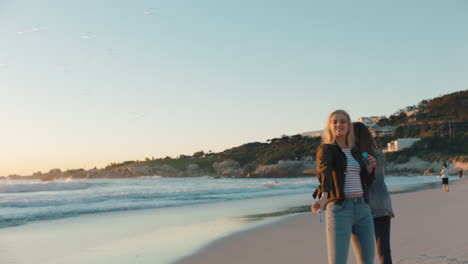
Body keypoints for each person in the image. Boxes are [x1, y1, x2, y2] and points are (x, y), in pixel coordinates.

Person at [311, 110, 377, 264]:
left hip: (363, 209)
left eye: (342, 121)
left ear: (348, 125)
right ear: (329, 126)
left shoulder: (356, 152)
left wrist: (369, 170)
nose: (338, 124)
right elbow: (324, 173)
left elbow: (365, 181)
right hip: (340, 209)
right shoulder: (326, 149)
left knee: (368, 261)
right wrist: (323, 198)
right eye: (334, 122)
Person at [354, 122, 394, 264]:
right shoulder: (378, 156)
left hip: (360, 206)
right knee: (384, 250)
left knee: (362, 255)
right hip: (382, 204)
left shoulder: (352, 159)